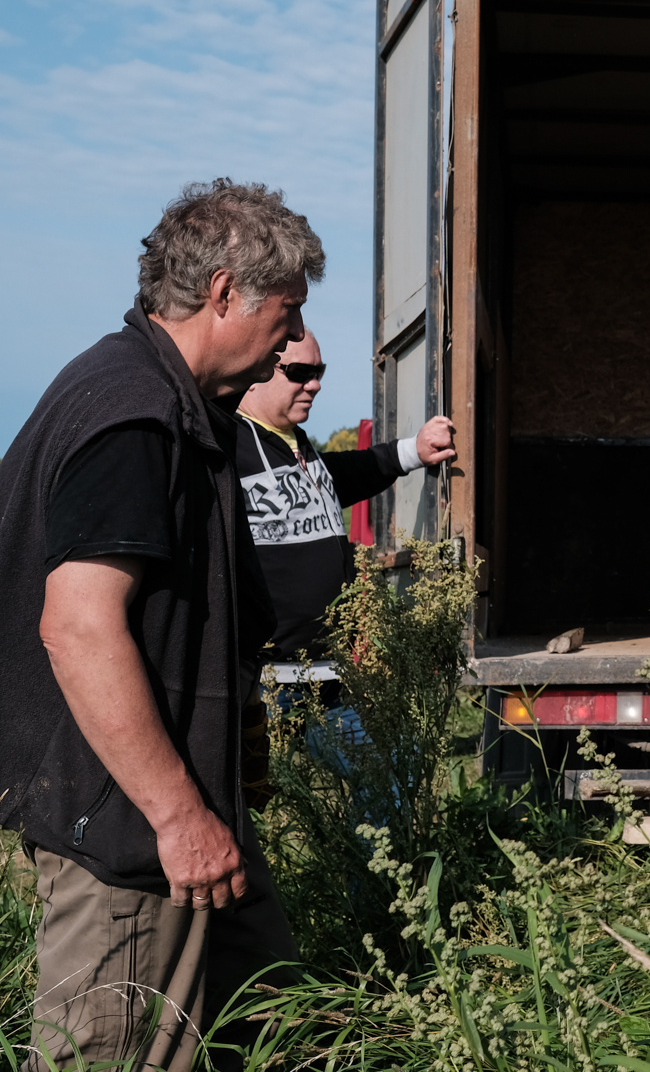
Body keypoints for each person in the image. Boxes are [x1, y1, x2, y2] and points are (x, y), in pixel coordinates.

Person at [0, 180, 317, 1071]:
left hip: (164, 822)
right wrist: (178, 817)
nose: (292, 341)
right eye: (286, 315)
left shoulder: (150, 394)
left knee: (277, 1025)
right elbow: (79, 626)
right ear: (223, 292)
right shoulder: (135, 414)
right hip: (131, 841)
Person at [235, 329, 455, 669]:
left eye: (318, 372)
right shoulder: (226, 452)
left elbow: (358, 468)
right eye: (300, 373)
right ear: (255, 372)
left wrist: (417, 449)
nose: (315, 385)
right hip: (269, 683)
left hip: (334, 672)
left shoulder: (298, 448)